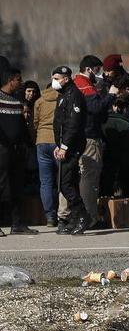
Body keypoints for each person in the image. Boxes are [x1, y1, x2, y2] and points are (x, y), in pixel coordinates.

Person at [69, 55, 117, 227]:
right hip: (89, 137)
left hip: (75, 137)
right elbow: (95, 108)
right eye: (97, 70)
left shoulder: (74, 84)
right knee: (90, 177)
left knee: (73, 177)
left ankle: (68, 216)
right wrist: (111, 96)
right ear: (89, 69)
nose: (99, 75)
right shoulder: (86, 85)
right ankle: (90, 217)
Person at [52, 66, 91, 235]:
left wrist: (65, 146)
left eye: (57, 78)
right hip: (63, 145)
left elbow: (73, 125)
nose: (54, 81)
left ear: (66, 79)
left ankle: (82, 215)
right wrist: (58, 145)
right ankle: (75, 218)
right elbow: (60, 123)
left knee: (65, 183)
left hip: (72, 146)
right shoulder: (63, 95)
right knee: (69, 182)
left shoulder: (74, 95)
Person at [0, 67, 38, 236]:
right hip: (2, 150)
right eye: (19, 80)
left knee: (17, 187)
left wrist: (29, 144)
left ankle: (18, 224)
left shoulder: (17, 100)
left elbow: (21, 126)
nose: (21, 84)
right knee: (2, 187)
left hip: (17, 151)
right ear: (10, 80)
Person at [33, 82, 59, 226]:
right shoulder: (62, 98)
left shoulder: (39, 101)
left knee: (46, 182)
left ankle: (50, 216)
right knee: (62, 179)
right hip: (58, 142)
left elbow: (35, 122)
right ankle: (63, 213)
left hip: (41, 141)